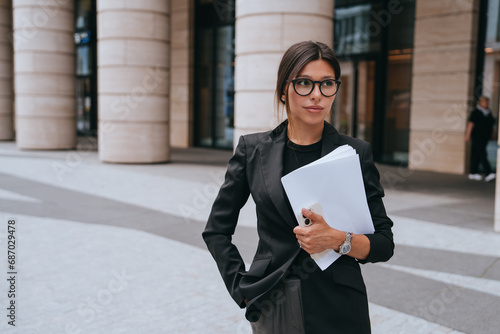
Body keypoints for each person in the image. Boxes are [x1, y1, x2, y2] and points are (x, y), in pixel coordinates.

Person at [202, 41, 394, 334]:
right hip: (274, 299)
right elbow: (216, 229)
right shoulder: (252, 151)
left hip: (340, 305)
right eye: (304, 83)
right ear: (283, 90)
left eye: (326, 84)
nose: (316, 95)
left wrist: (337, 239)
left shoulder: (355, 153)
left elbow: (383, 244)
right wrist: (240, 286)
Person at [465, 96, 496, 182]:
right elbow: (471, 124)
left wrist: (494, 134)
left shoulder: (488, 112)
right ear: (480, 103)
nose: (486, 104)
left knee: (477, 154)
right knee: (482, 153)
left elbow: (491, 125)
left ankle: (473, 172)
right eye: (485, 102)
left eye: (487, 102)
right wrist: (468, 135)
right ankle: (488, 172)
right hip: (476, 136)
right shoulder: (476, 112)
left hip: (485, 137)